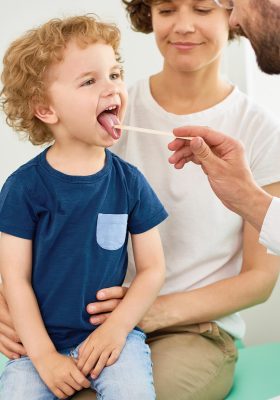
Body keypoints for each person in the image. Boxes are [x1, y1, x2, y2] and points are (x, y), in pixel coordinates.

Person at [0, 2, 280, 400]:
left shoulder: (259, 130)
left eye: (203, 8)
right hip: (79, 326)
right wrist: (11, 309)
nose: (184, 26)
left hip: (189, 330)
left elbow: (261, 279)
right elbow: (24, 261)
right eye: (167, 9)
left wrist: (142, 313)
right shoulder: (98, 117)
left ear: (233, 17)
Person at [0, 15, 167, 400]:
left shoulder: (130, 182)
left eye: (115, 73)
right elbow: (15, 280)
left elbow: (153, 268)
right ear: (46, 110)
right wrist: (43, 356)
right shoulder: (24, 188)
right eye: (90, 81)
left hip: (112, 345)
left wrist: (117, 329)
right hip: (37, 348)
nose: (112, 89)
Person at [168, 0, 280, 255]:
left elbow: (258, 279)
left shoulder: (261, 129)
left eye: (231, 3)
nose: (233, 20)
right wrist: (245, 196)